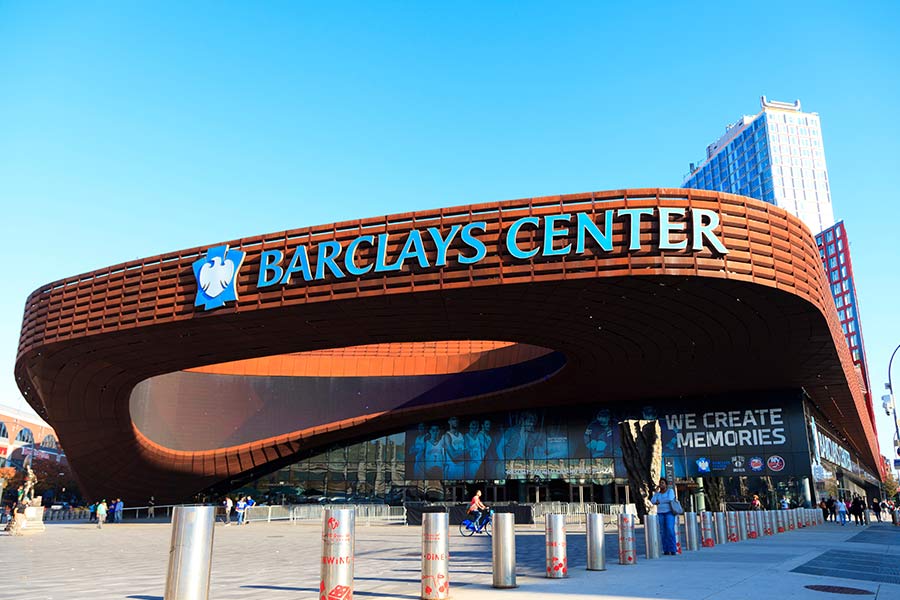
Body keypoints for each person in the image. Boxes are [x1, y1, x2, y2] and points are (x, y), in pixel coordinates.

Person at [651, 478, 678, 556]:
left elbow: (670, 499)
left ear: (666, 484)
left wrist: (659, 501)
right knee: (663, 531)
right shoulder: (658, 494)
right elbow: (653, 501)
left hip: (669, 512)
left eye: (662, 483)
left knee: (670, 529)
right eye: (660, 483)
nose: (661, 484)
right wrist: (656, 493)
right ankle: (666, 549)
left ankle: (673, 549)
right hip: (660, 513)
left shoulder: (670, 491)